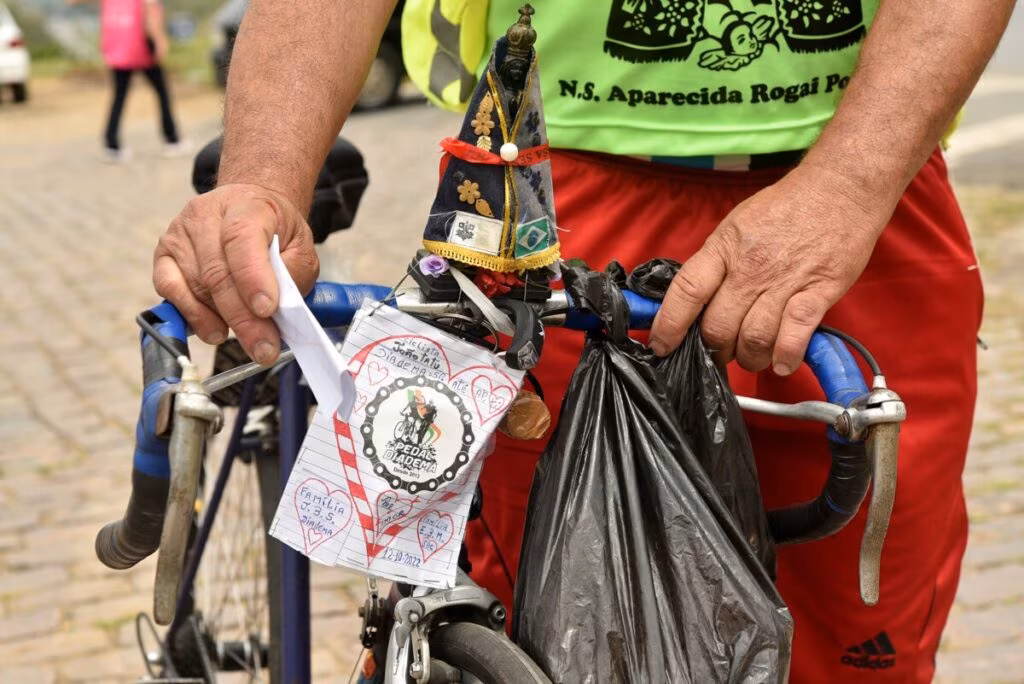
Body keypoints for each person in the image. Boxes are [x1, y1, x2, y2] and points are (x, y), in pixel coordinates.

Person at [151, 1, 1015, 682]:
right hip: (545, 204)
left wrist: (849, 187)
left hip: (855, 202)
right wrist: (261, 180)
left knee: (859, 646)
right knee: (545, 628)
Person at [72, 0, 187, 161]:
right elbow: (150, 14)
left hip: (117, 51)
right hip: (141, 50)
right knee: (162, 93)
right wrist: (159, 40)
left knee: (119, 98)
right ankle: (172, 140)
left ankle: (111, 145)